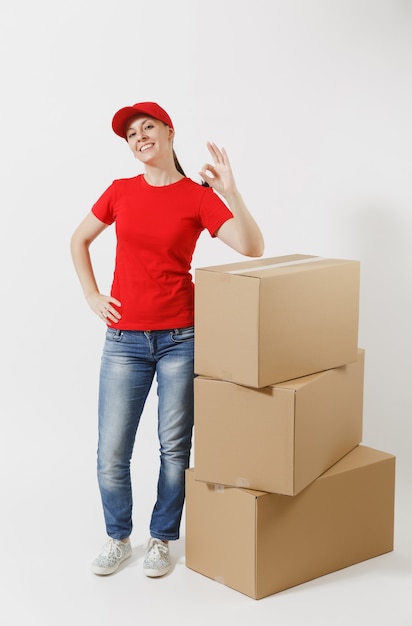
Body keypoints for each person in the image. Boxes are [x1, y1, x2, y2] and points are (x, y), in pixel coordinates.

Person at [70, 101, 264, 578]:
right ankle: (118, 537)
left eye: (147, 127)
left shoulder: (196, 198)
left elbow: (251, 247)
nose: (139, 137)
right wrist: (93, 295)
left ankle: (161, 539)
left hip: (182, 338)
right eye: (131, 134)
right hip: (124, 342)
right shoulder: (119, 192)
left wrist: (231, 193)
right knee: (112, 450)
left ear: (169, 133)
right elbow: (79, 240)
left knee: (173, 448)